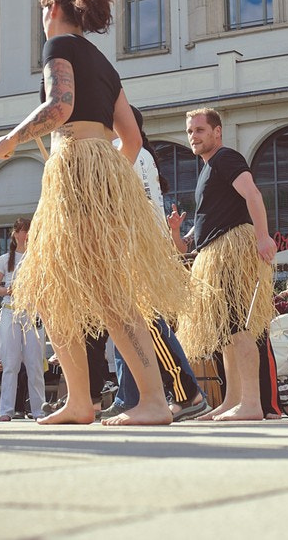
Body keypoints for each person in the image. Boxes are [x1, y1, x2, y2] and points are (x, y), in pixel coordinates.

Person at [0, 0, 189, 427]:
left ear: (54, 8)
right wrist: (108, 177)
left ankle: (150, 401)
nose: (42, 19)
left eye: (42, 9)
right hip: (97, 169)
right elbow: (132, 139)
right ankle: (80, 400)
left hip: (75, 168)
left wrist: (10, 139)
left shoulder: (58, 45)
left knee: (99, 290)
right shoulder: (103, 63)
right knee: (53, 286)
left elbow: (60, 105)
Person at [173, 107, 277, 423]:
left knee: (238, 328)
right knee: (225, 334)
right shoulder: (207, 170)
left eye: (200, 130)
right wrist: (176, 232)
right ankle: (232, 400)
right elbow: (189, 244)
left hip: (230, 252)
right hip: (210, 254)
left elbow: (253, 195)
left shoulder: (226, 158)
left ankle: (252, 403)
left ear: (217, 132)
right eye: (190, 131)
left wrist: (263, 237)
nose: (194, 136)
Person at [104, 108, 207, 423]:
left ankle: (187, 392)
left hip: (140, 248)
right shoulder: (142, 154)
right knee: (134, 324)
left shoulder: (128, 152)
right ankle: (134, 397)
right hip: (146, 247)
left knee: (148, 324)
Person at [0, 220, 47, 422]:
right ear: (15, 234)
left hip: (33, 312)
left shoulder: (39, 258)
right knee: (10, 363)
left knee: (35, 363)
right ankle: (6, 410)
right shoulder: (5, 259)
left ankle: (39, 410)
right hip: (10, 310)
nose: (26, 234)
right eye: (22, 231)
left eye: (29, 230)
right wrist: (8, 290)